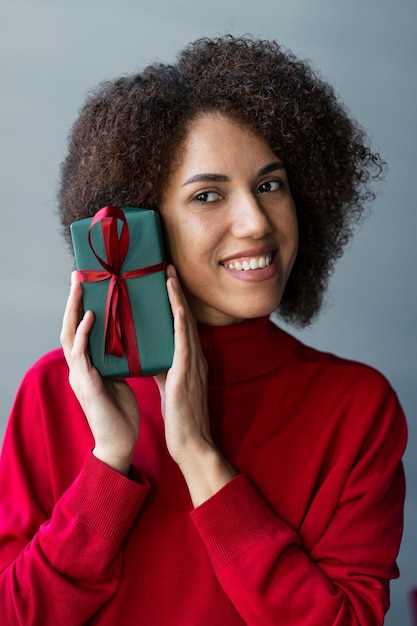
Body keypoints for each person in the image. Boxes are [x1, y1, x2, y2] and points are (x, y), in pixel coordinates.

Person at [0, 35, 407, 625]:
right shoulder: (52, 393)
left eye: (270, 185)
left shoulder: (356, 408)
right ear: (143, 222)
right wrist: (109, 461)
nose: (256, 221)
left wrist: (198, 457)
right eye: (208, 195)